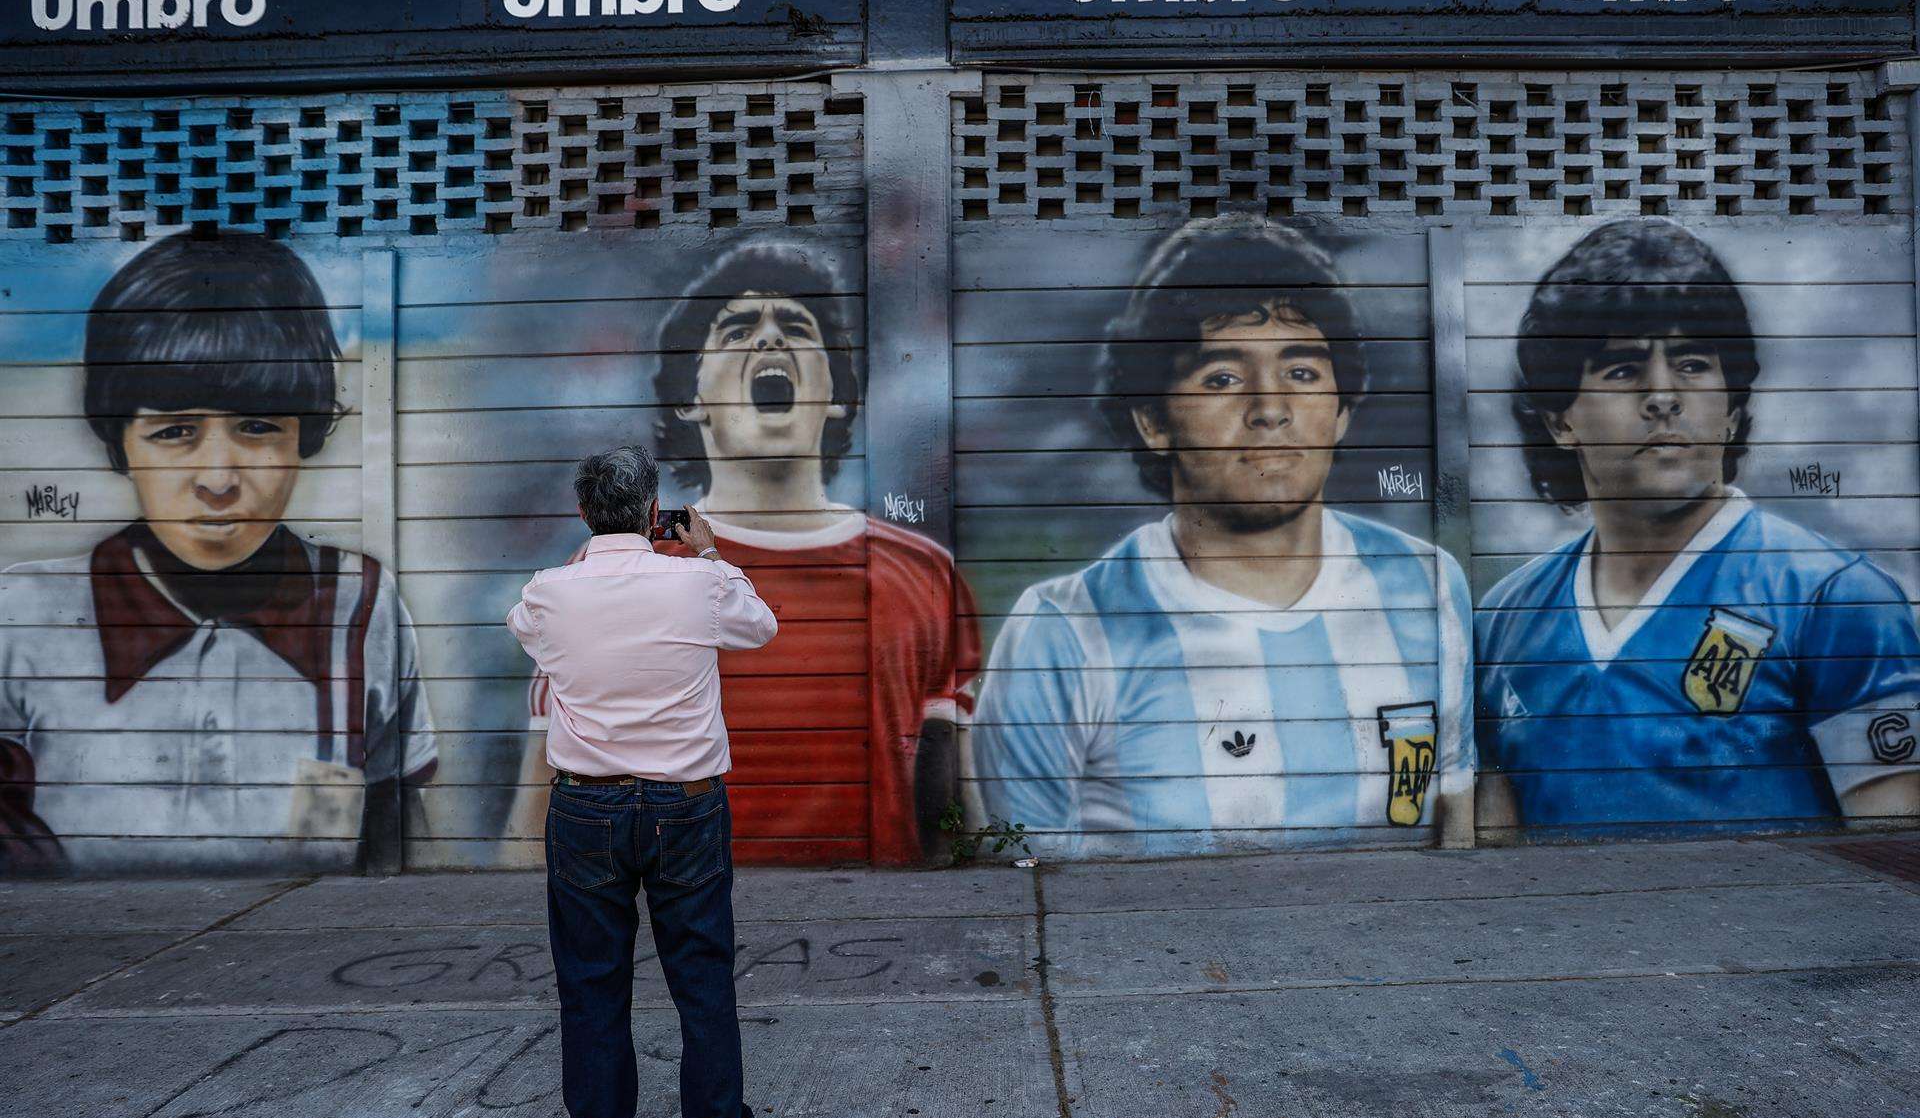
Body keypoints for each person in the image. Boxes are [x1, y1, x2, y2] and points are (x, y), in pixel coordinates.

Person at [971, 217, 1474, 857]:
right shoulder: (1062, 631)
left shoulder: (1425, 583)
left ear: (1342, 410)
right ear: (1153, 419)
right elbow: (1024, 874)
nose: (1270, 407)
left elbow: (1455, 806)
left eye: (1302, 373)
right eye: (1223, 379)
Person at [521, 240, 979, 864]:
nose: (769, 342)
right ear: (691, 396)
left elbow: (954, 801)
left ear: (840, 392)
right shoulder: (599, 573)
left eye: (796, 327)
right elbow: (535, 798)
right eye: (737, 331)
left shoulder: (922, 571)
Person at [0, 231, 435, 876]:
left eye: (258, 427)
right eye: (174, 432)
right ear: (120, 443)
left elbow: (395, 818)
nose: (218, 480)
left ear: (303, 434)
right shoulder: (26, 614)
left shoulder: (359, 606)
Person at [1475, 219, 1920, 832]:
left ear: (1733, 408)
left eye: (1691, 363)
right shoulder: (1504, 619)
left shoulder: (1835, 598)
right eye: (1623, 369)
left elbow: (1893, 867)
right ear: (1560, 421)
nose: (1663, 395)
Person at [509, 445, 775, 1118]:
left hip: (584, 806)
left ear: (584, 512)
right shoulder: (698, 583)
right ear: (657, 512)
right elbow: (759, 629)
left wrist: (580, 562)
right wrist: (713, 553)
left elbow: (531, 630)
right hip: (684, 805)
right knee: (702, 975)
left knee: (591, 981)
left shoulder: (548, 591)